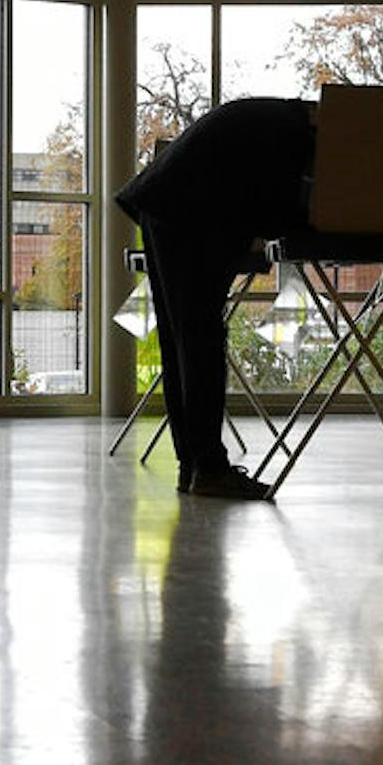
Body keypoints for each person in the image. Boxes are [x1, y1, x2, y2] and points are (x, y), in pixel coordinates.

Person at [116, 99, 315, 500]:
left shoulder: (279, 121)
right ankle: (208, 468)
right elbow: (286, 211)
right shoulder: (301, 140)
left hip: (165, 202)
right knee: (200, 339)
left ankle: (193, 465)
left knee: (181, 343)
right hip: (189, 210)